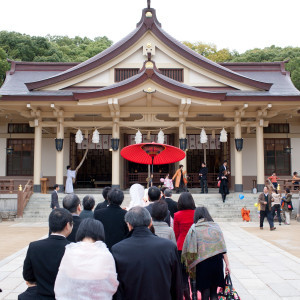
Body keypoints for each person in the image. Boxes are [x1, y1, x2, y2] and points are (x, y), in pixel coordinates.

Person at [111, 206, 183, 300]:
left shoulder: (118, 250)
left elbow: (117, 289)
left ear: (129, 225)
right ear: (150, 222)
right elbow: (177, 284)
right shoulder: (168, 247)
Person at [54, 219, 118, 299]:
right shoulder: (105, 254)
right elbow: (112, 283)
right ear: (100, 232)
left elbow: (62, 280)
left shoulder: (70, 251)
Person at [22, 208, 72, 299]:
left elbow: (27, 275)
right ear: (67, 225)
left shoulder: (34, 247)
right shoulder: (72, 248)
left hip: (41, 295)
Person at [182, 207, 230, 300]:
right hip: (217, 263)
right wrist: (227, 265)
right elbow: (222, 248)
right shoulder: (216, 227)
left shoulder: (194, 229)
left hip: (202, 264)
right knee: (214, 291)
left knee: (205, 291)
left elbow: (190, 248)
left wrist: (189, 264)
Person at [174, 192, 196, 300]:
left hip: (181, 246)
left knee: (183, 274)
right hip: (194, 246)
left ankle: (187, 296)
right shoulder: (196, 214)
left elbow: (176, 233)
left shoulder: (177, 215)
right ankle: (195, 295)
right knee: (193, 273)